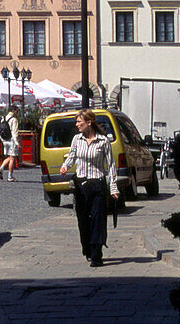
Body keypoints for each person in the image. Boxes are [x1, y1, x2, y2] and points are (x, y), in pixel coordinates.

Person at [59, 109, 119, 267]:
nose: (77, 125)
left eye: (80, 122)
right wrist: (65, 166)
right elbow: (72, 156)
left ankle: (96, 254)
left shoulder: (103, 141)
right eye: (77, 122)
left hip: (97, 184)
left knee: (98, 220)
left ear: (89, 122)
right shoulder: (76, 139)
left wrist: (113, 188)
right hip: (81, 185)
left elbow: (111, 166)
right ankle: (87, 247)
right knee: (83, 220)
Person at [0, 107, 20, 181]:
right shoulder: (14, 120)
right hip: (11, 140)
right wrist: (17, 142)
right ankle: (10, 176)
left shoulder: (3, 119)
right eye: (17, 111)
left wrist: (2, 139)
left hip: (4, 140)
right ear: (13, 111)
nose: (17, 112)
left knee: (9, 156)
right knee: (13, 158)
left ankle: (1, 168)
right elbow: (14, 132)